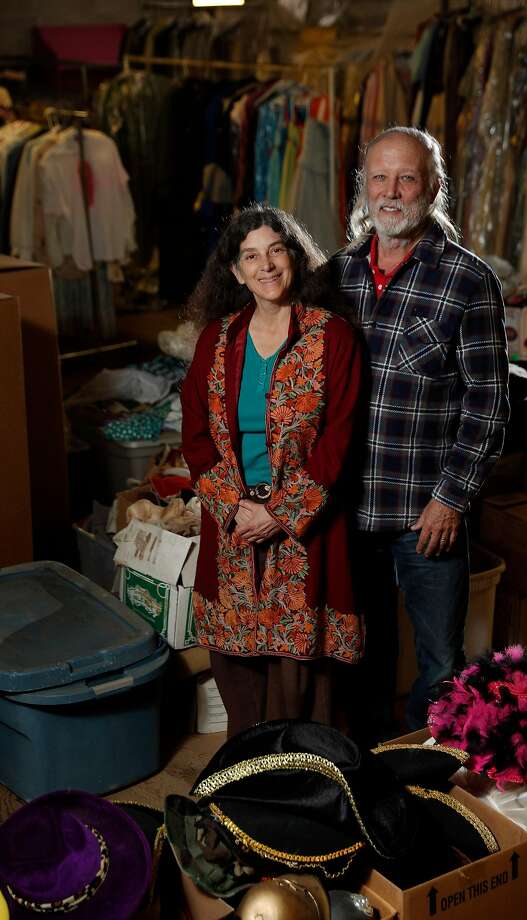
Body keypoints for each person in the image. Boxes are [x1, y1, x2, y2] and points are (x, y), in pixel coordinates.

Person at [330, 126, 509, 739]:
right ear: (364, 187)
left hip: (425, 514)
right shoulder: (338, 274)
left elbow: (489, 401)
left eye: (406, 177)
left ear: (433, 186)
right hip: (351, 510)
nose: (391, 191)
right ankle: (374, 773)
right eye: (379, 177)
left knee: (439, 664)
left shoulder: (467, 279)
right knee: (363, 655)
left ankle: (430, 778)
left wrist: (453, 497)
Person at [181, 205, 364, 738]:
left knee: (303, 671)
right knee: (239, 669)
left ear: (295, 258)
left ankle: (306, 780)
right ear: (235, 272)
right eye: (251, 256)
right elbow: (195, 437)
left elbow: (339, 440)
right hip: (233, 521)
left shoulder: (331, 337)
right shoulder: (216, 340)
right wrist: (236, 508)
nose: (266, 266)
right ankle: (247, 778)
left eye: (276, 251)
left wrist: (281, 514)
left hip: (307, 529)